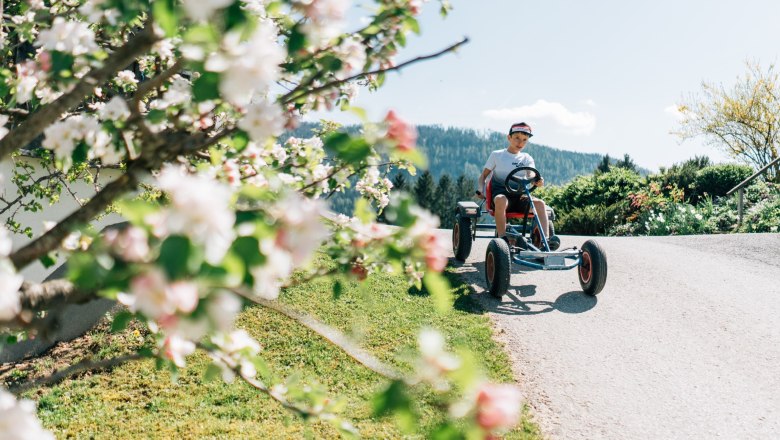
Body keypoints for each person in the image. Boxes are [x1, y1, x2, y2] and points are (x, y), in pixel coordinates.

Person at [477, 122, 553, 244]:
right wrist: (480, 189)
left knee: (540, 203)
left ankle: (546, 241)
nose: (520, 143)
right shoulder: (497, 155)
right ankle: (502, 240)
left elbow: (531, 175)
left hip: (520, 197)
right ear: (509, 137)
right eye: (517, 138)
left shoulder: (526, 158)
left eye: (524, 140)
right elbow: (483, 176)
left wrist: (537, 180)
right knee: (501, 199)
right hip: (500, 198)